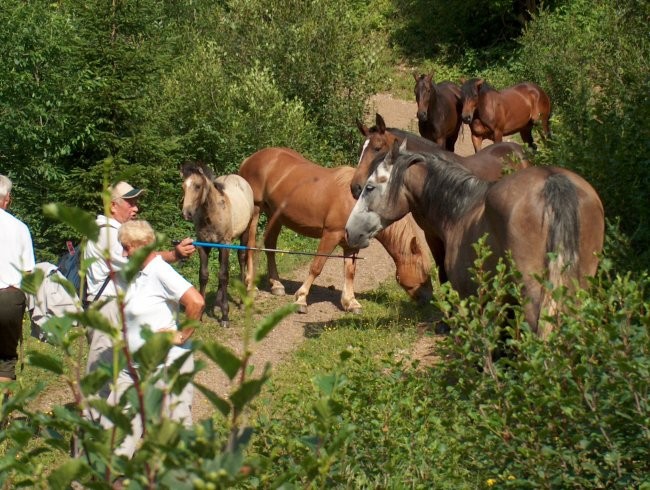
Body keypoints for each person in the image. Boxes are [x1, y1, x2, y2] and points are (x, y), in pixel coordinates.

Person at [102, 220, 204, 457]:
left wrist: (181, 335)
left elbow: (196, 302)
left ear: (144, 246)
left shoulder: (160, 271)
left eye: (128, 247)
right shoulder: (137, 274)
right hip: (133, 369)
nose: (124, 253)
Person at [84, 181, 195, 398]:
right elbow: (140, 257)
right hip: (107, 311)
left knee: (124, 373)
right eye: (130, 203)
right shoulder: (106, 234)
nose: (136, 208)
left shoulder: (117, 231)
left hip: (119, 309)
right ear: (112, 206)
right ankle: (96, 425)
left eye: (136, 203)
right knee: (103, 376)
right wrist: (174, 255)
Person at [0, 175, 36, 386]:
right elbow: (28, 272)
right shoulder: (20, 227)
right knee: (4, 359)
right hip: (10, 299)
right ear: (7, 199)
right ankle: (3, 414)